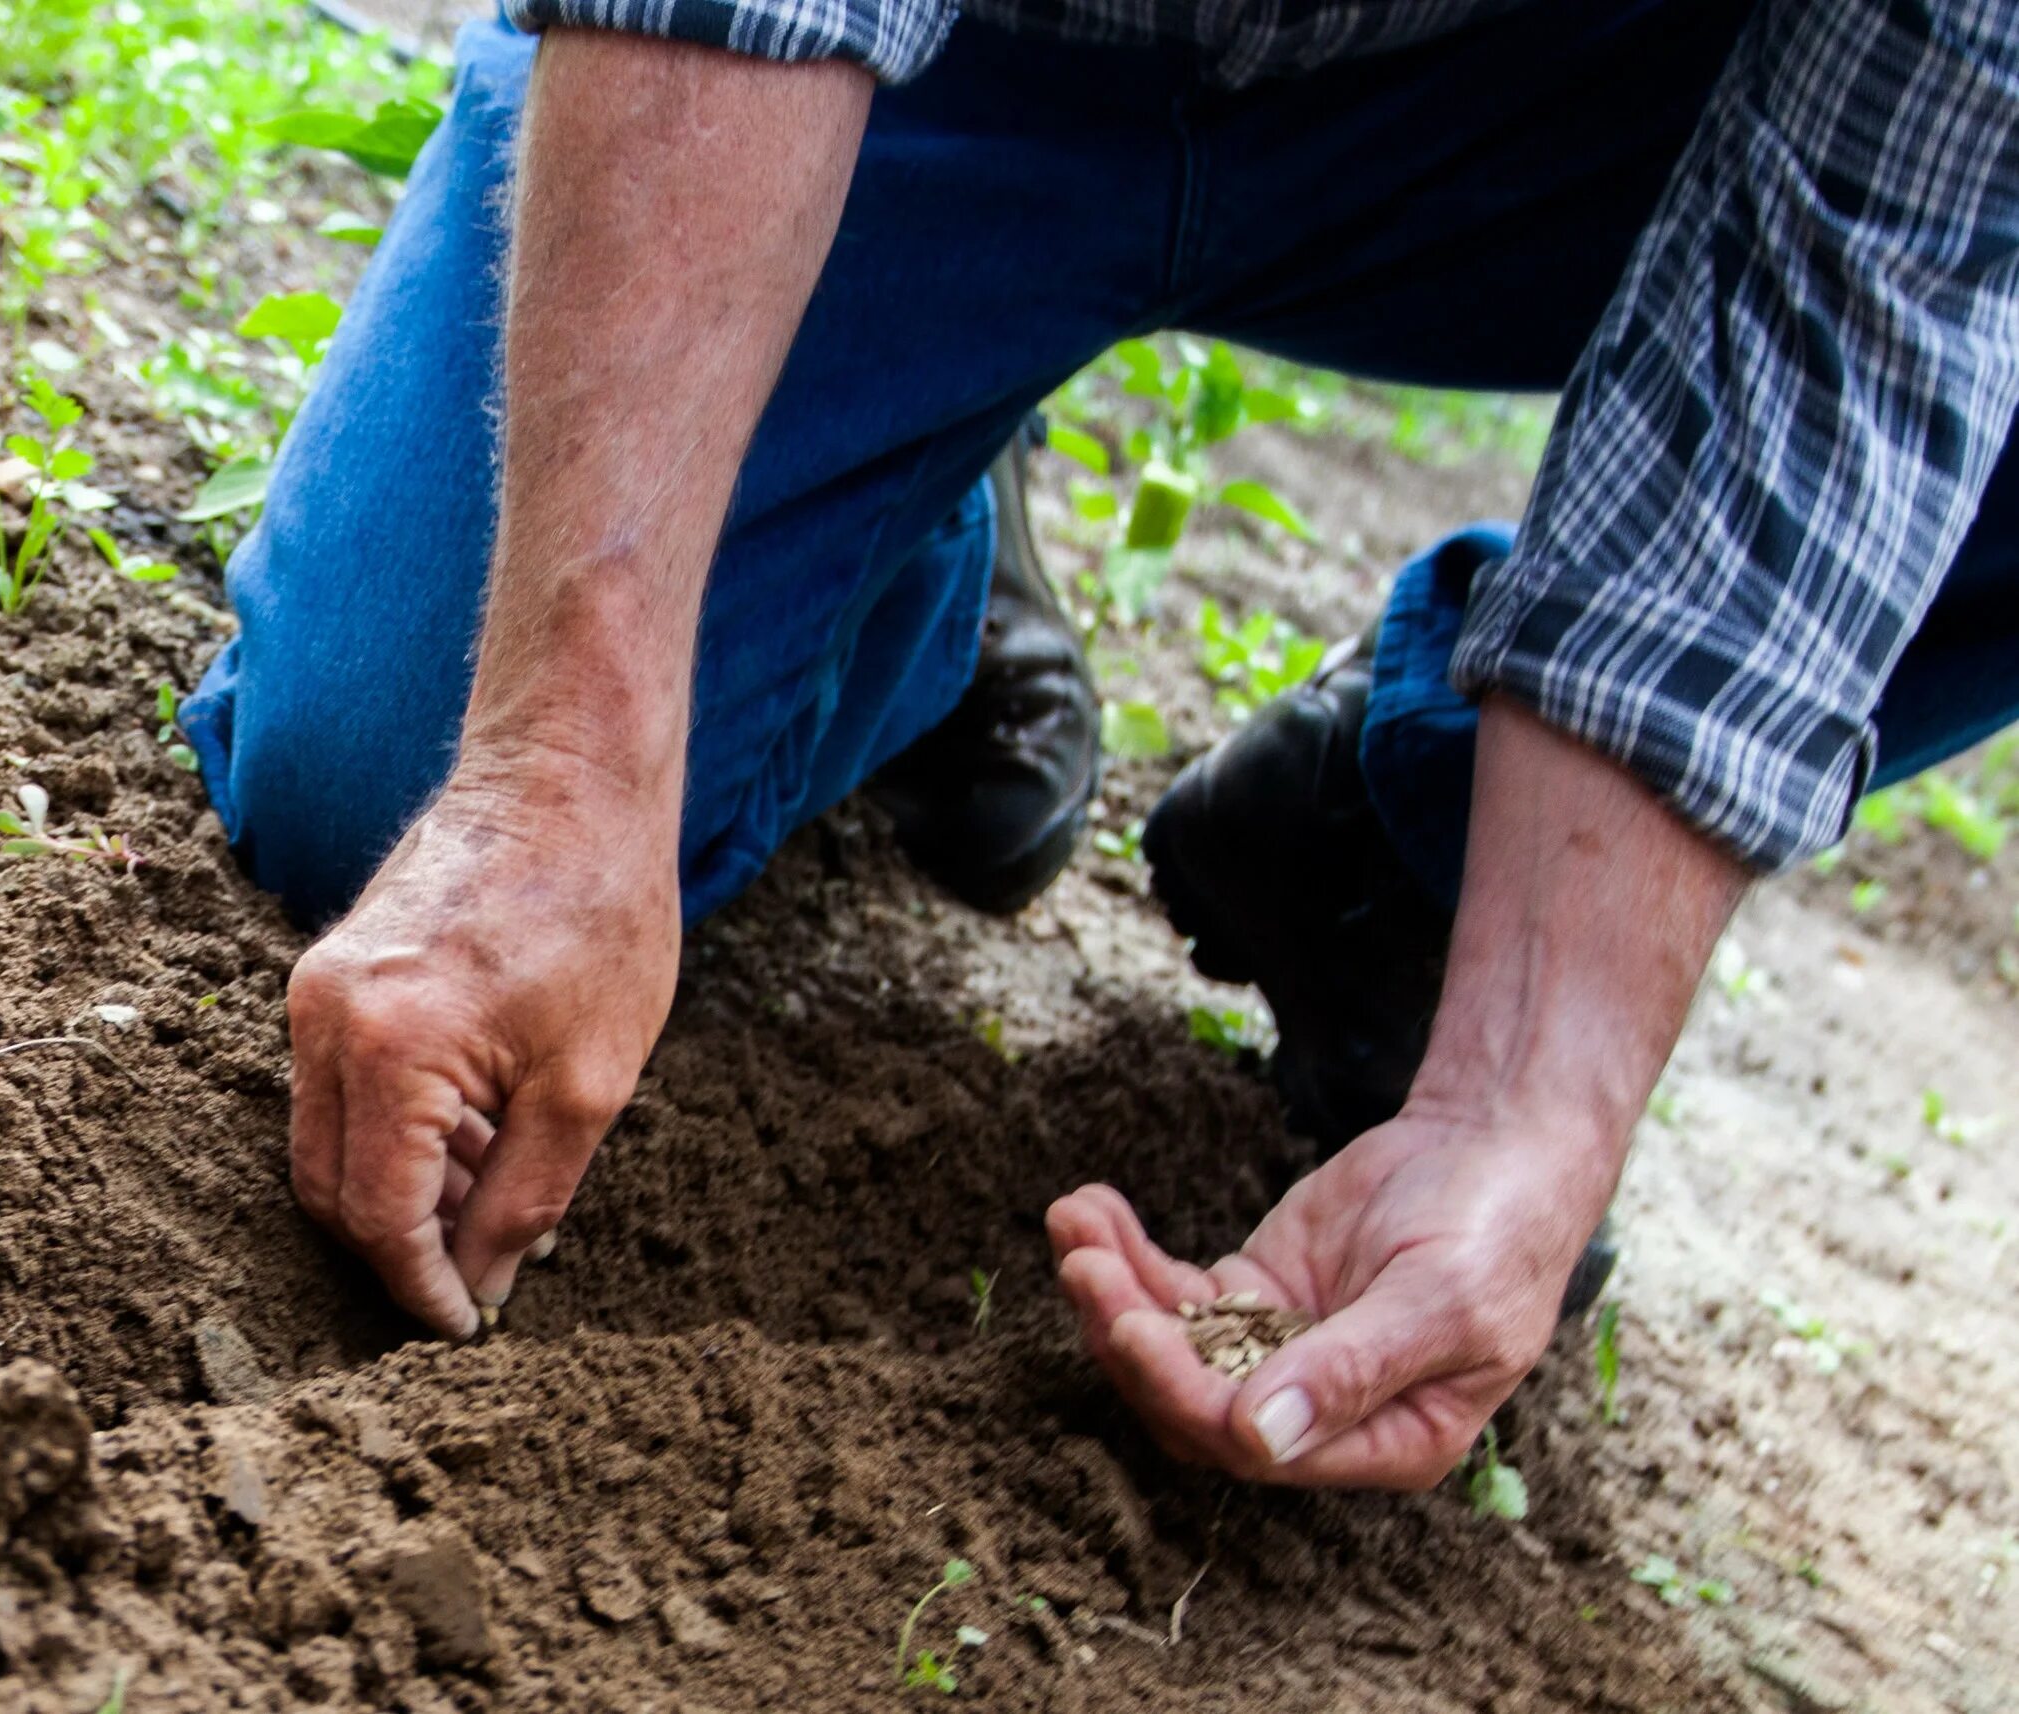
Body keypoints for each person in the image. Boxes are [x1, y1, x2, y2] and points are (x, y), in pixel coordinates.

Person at [177, 0, 2019, 1489]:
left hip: (1562, 99)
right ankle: (917, 546)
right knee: (387, 770)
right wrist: (557, 768)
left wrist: (1527, 1094)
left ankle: (1426, 843)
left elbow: (1886, 256)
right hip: (964, 53)